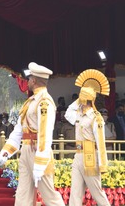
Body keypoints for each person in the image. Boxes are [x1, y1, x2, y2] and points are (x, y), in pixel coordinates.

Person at [0, 62, 64, 206]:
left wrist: (40, 161)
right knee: (22, 195)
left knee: (49, 196)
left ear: (34, 80)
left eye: (30, 78)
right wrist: (5, 152)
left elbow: (45, 134)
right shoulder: (30, 102)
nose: (28, 80)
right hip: (26, 150)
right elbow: (19, 131)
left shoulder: (45, 102)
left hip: (39, 151)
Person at [64, 69, 110, 206]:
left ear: (89, 99)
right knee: (75, 194)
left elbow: (100, 143)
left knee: (97, 193)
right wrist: (79, 100)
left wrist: (103, 164)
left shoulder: (96, 118)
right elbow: (68, 113)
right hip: (78, 156)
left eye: (82, 96)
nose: (80, 99)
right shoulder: (78, 114)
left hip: (90, 158)